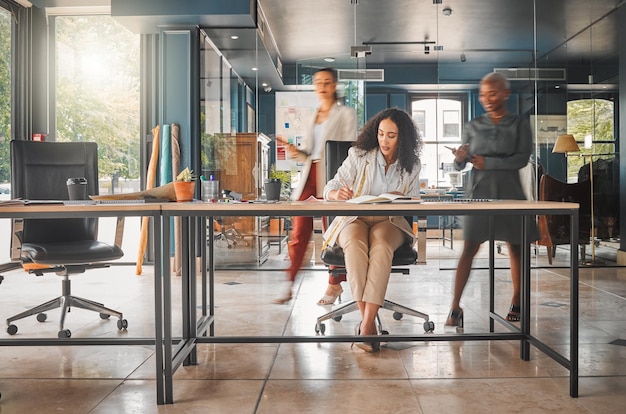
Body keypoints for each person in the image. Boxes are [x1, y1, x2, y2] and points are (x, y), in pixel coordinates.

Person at [323, 108, 423, 352]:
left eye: (391, 135)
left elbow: (416, 199)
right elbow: (332, 185)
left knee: (380, 246)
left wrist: (405, 198)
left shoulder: (411, 164)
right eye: (380, 134)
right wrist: (337, 193)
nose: (384, 140)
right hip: (355, 216)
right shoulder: (359, 155)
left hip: (389, 220)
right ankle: (368, 325)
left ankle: (365, 325)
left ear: (403, 137)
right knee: (356, 245)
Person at [445, 72, 539, 328]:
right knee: (468, 249)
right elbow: (459, 165)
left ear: (505, 93)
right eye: (483, 94)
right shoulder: (473, 125)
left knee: (516, 247)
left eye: (493, 93)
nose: (487, 99)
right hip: (479, 192)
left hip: (510, 191)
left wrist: (490, 162)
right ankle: (455, 306)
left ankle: (517, 300)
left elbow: (521, 159)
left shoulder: (519, 123)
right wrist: (460, 158)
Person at [275, 67, 357, 304]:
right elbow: (310, 155)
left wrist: (341, 186)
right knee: (299, 231)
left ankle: (334, 285)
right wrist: (294, 151)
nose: (321, 86)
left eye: (327, 82)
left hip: (332, 178)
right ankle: (289, 283)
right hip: (310, 176)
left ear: (334, 86)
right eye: (318, 82)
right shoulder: (312, 116)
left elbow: (347, 151)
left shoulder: (346, 114)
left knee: (333, 232)